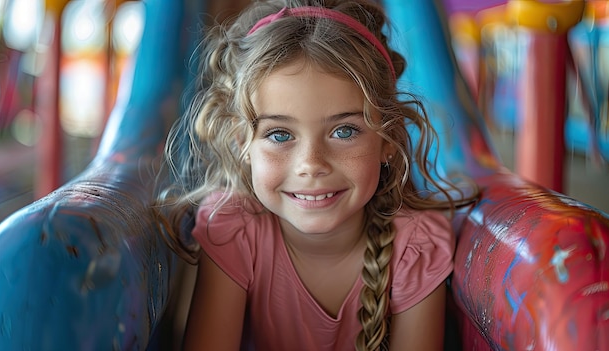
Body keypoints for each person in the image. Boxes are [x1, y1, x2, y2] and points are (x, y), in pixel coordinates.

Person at [158, 0, 475, 350]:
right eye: (279, 135)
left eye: (344, 131)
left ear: (388, 139)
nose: (311, 164)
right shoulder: (234, 228)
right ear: (240, 142)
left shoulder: (416, 246)